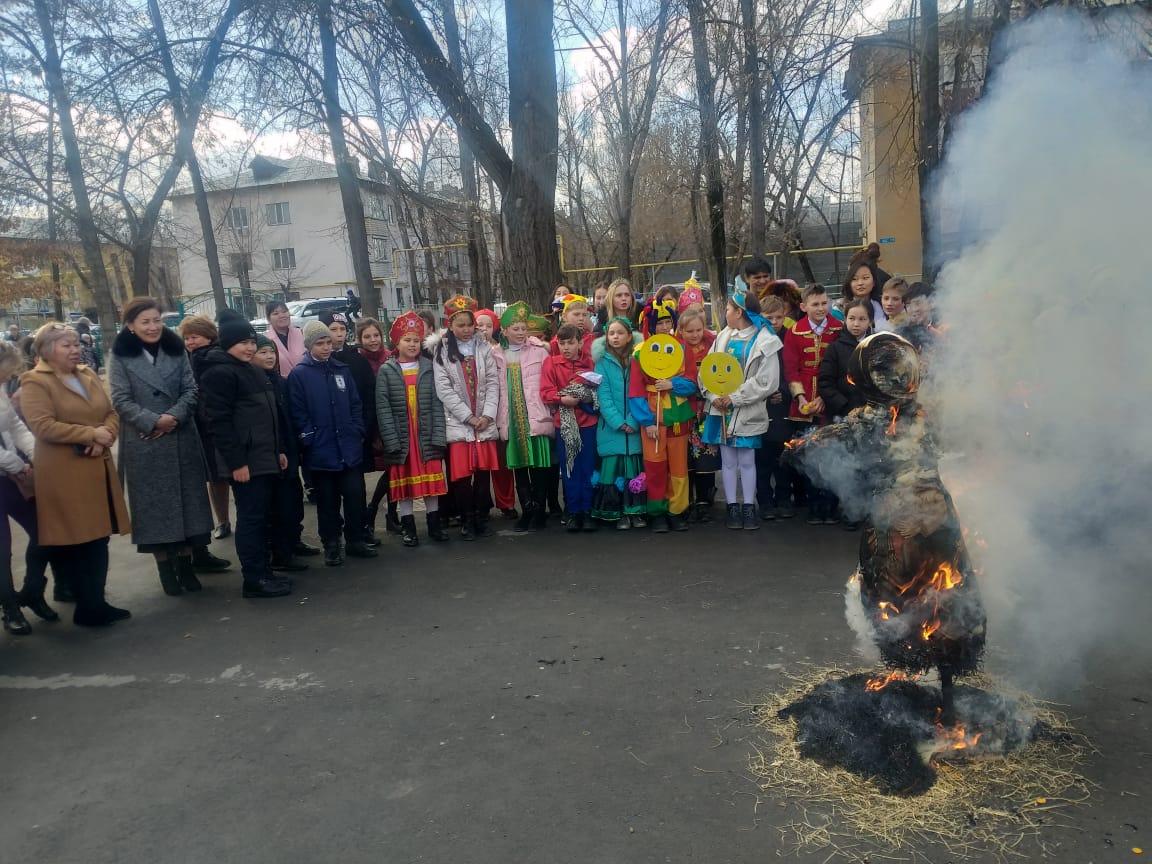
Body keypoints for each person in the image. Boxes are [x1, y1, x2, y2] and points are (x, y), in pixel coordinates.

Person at [20, 323, 132, 625]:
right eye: (66, 345)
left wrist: (105, 434)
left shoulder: (86, 374)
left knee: (98, 537)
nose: (75, 349)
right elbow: (43, 426)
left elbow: (111, 412)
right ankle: (86, 606)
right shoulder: (34, 381)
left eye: (75, 344)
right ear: (46, 350)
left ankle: (95, 602)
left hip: (96, 465)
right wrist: (90, 434)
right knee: (78, 539)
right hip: (64, 472)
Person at [110, 297, 217, 597]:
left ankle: (186, 565)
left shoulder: (176, 348)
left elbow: (191, 389)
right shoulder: (120, 355)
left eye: (157, 320)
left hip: (181, 436)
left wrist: (174, 417)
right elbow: (120, 400)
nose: (153, 326)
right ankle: (165, 570)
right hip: (145, 442)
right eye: (145, 321)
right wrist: (155, 421)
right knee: (156, 511)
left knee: (187, 504)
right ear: (130, 325)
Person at [199, 313, 292, 599]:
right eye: (242, 343)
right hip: (245, 464)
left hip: (264, 457)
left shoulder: (250, 369)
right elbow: (219, 423)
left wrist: (278, 450)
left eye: (251, 341)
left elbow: (267, 416)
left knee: (262, 516)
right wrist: (237, 462)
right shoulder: (219, 373)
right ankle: (254, 580)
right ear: (227, 343)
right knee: (251, 519)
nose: (249, 348)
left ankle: (264, 571)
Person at [289, 322, 377, 566]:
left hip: (348, 446)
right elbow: (298, 412)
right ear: (309, 346)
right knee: (327, 502)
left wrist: (357, 430)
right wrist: (309, 438)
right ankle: (331, 542)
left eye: (328, 342)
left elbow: (355, 403)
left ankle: (355, 539)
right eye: (320, 343)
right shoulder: (300, 374)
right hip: (321, 450)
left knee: (354, 495)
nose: (327, 347)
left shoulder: (342, 370)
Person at [699, 287, 782, 530]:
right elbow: (707, 370)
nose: (725, 313)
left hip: (747, 411)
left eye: (728, 309)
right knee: (727, 460)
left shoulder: (764, 341)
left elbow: (767, 381)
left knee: (746, 459)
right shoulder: (722, 337)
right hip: (721, 410)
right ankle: (731, 507)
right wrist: (714, 395)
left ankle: (748, 506)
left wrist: (735, 397)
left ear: (740, 312)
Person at [428, 295, 500, 540]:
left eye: (469, 324)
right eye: (461, 325)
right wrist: (468, 417)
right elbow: (444, 389)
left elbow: (493, 382)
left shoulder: (483, 348)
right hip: (459, 423)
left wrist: (487, 415)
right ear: (450, 325)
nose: (466, 329)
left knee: (482, 473)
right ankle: (466, 519)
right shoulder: (441, 351)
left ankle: (481, 517)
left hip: (484, 422)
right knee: (461, 476)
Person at [375, 312, 449, 546]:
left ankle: (434, 525)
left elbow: (438, 403)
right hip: (403, 438)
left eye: (416, 340)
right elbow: (383, 408)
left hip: (425, 437)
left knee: (431, 485)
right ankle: (408, 528)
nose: (412, 344)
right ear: (396, 343)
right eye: (407, 340)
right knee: (404, 485)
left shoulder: (429, 367)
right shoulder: (387, 371)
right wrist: (391, 439)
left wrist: (439, 434)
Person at [0, 342, 56, 634]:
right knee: (2, 549)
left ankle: (32, 591)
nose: (8, 377)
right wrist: (16, 464)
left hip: (11, 476)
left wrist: (36, 454)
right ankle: (9, 608)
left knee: (44, 529)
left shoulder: (0, 389)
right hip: (9, 471)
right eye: (6, 371)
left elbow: (14, 427)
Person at [628, 299, 696, 532]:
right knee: (655, 467)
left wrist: (672, 384)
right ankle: (656, 512)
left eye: (668, 321)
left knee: (678, 468)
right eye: (660, 323)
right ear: (651, 326)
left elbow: (692, 383)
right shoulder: (639, 354)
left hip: (678, 418)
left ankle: (676, 510)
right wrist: (647, 422)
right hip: (653, 418)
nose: (665, 327)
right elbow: (636, 392)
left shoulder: (682, 348)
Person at [179, 316, 240, 558]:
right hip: (200, 426)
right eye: (186, 338)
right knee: (214, 478)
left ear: (208, 336)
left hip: (217, 423)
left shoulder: (213, 357)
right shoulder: (187, 359)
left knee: (229, 472)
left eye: (194, 337)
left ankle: (228, 520)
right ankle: (222, 520)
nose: (190, 342)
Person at [783, 284, 843, 524]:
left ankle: (831, 504)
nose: (820, 308)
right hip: (804, 401)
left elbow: (841, 368)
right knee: (808, 453)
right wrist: (801, 398)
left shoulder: (839, 329)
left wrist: (826, 397)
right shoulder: (794, 332)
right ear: (803, 306)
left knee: (831, 451)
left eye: (824, 303)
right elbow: (791, 369)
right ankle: (814, 503)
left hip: (831, 397)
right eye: (815, 304)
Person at [493, 302, 554, 533]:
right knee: (519, 468)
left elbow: (548, 382)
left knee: (539, 467)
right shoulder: (496, 355)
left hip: (535, 415)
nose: (520, 333)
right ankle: (526, 509)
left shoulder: (540, 351)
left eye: (523, 328)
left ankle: (539, 510)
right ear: (505, 330)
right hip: (512, 417)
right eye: (515, 328)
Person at [252, 336, 310, 571]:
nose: (269, 357)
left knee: (293, 502)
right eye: (263, 352)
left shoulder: (282, 381)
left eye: (271, 352)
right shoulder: (253, 383)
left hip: (290, 451)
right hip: (270, 456)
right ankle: (280, 554)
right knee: (276, 507)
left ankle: (293, 543)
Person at [321, 310, 377, 547]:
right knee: (329, 495)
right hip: (326, 442)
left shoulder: (356, 360)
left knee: (356, 491)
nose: (338, 335)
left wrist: (363, 429)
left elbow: (366, 397)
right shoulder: (314, 364)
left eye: (342, 329)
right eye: (333, 330)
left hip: (355, 437)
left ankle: (360, 533)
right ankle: (333, 541)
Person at [540, 324, 599, 532]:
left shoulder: (590, 363)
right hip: (564, 424)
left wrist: (584, 397)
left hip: (588, 423)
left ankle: (588, 510)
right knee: (569, 468)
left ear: (580, 343)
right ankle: (573, 511)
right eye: (562, 343)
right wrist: (562, 398)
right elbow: (546, 391)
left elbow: (596, 391)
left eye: (571, 343)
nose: (566, 347)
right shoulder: (551, 363)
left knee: (588, 467)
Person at [590, 316, 646, 529]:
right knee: (614, 472)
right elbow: (603, 396)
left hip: (634, 427)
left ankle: (635, 512)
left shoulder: (638, 361)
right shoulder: (601, 363)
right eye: (611, 333)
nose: (615, 337)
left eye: (620, 333)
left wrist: (633, 420)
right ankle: (617, 513)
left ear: (629, 336)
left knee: (632, 472)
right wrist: (618, 422)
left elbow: (639, 392)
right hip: (611, 430)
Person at [755, 296, 800, 521]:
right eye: (768, 317)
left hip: (783, 406)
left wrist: (783, 390)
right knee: (762, 459)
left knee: (783, 456)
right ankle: (764, 500)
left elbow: (791, 368)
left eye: (779, 317)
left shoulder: (788, 338)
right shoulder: (755, 339)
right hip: (760, 406)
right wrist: (764, 392)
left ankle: (784, 498)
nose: (774, 322)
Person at [357, 317, 399, 538]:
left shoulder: (391, 357)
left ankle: (390, 514)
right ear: (360, 339)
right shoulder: (358, 361)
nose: (373, 340)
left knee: (395, 470)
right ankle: (370, 512)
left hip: (393, 421)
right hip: (371, 425)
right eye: (367, 336)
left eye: (376, 335)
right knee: (372, 471)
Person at [677, 305, 718, 521]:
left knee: (705, 454)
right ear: (681, 331)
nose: (695, 335)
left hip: (707, 410)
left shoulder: (713, 348)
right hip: (685, 409)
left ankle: (705, 498)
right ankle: (688, 499)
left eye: (698, 330)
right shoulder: (676, 351)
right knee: (686, 456)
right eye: (689, 331)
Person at [476, 308, 517, 520]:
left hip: (500, 413)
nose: (483, 329)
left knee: (502, 463)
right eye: (479, 325)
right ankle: (481, 503)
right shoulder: (468, 350)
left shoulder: (501, 351)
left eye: (488, 325)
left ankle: (506, 502)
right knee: (481, 465)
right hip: (477, 416)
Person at [836, 260, 886, 325]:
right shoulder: (839, 309)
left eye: (865, 278)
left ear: (874, 282)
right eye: (854, 279)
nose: (860, 283)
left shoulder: (883, 305)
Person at [265, 300, 306, 378]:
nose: (282, 315)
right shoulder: (266, 341)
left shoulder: (301, 334)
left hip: (305, 382)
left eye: (284, 311)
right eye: (276, 313)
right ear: (268, 319)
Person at [549, 294, 594, 362]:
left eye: (584, 315)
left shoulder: (592, 339)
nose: (581, 318)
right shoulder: (556, 342)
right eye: (576, 314)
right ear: (564, 316)